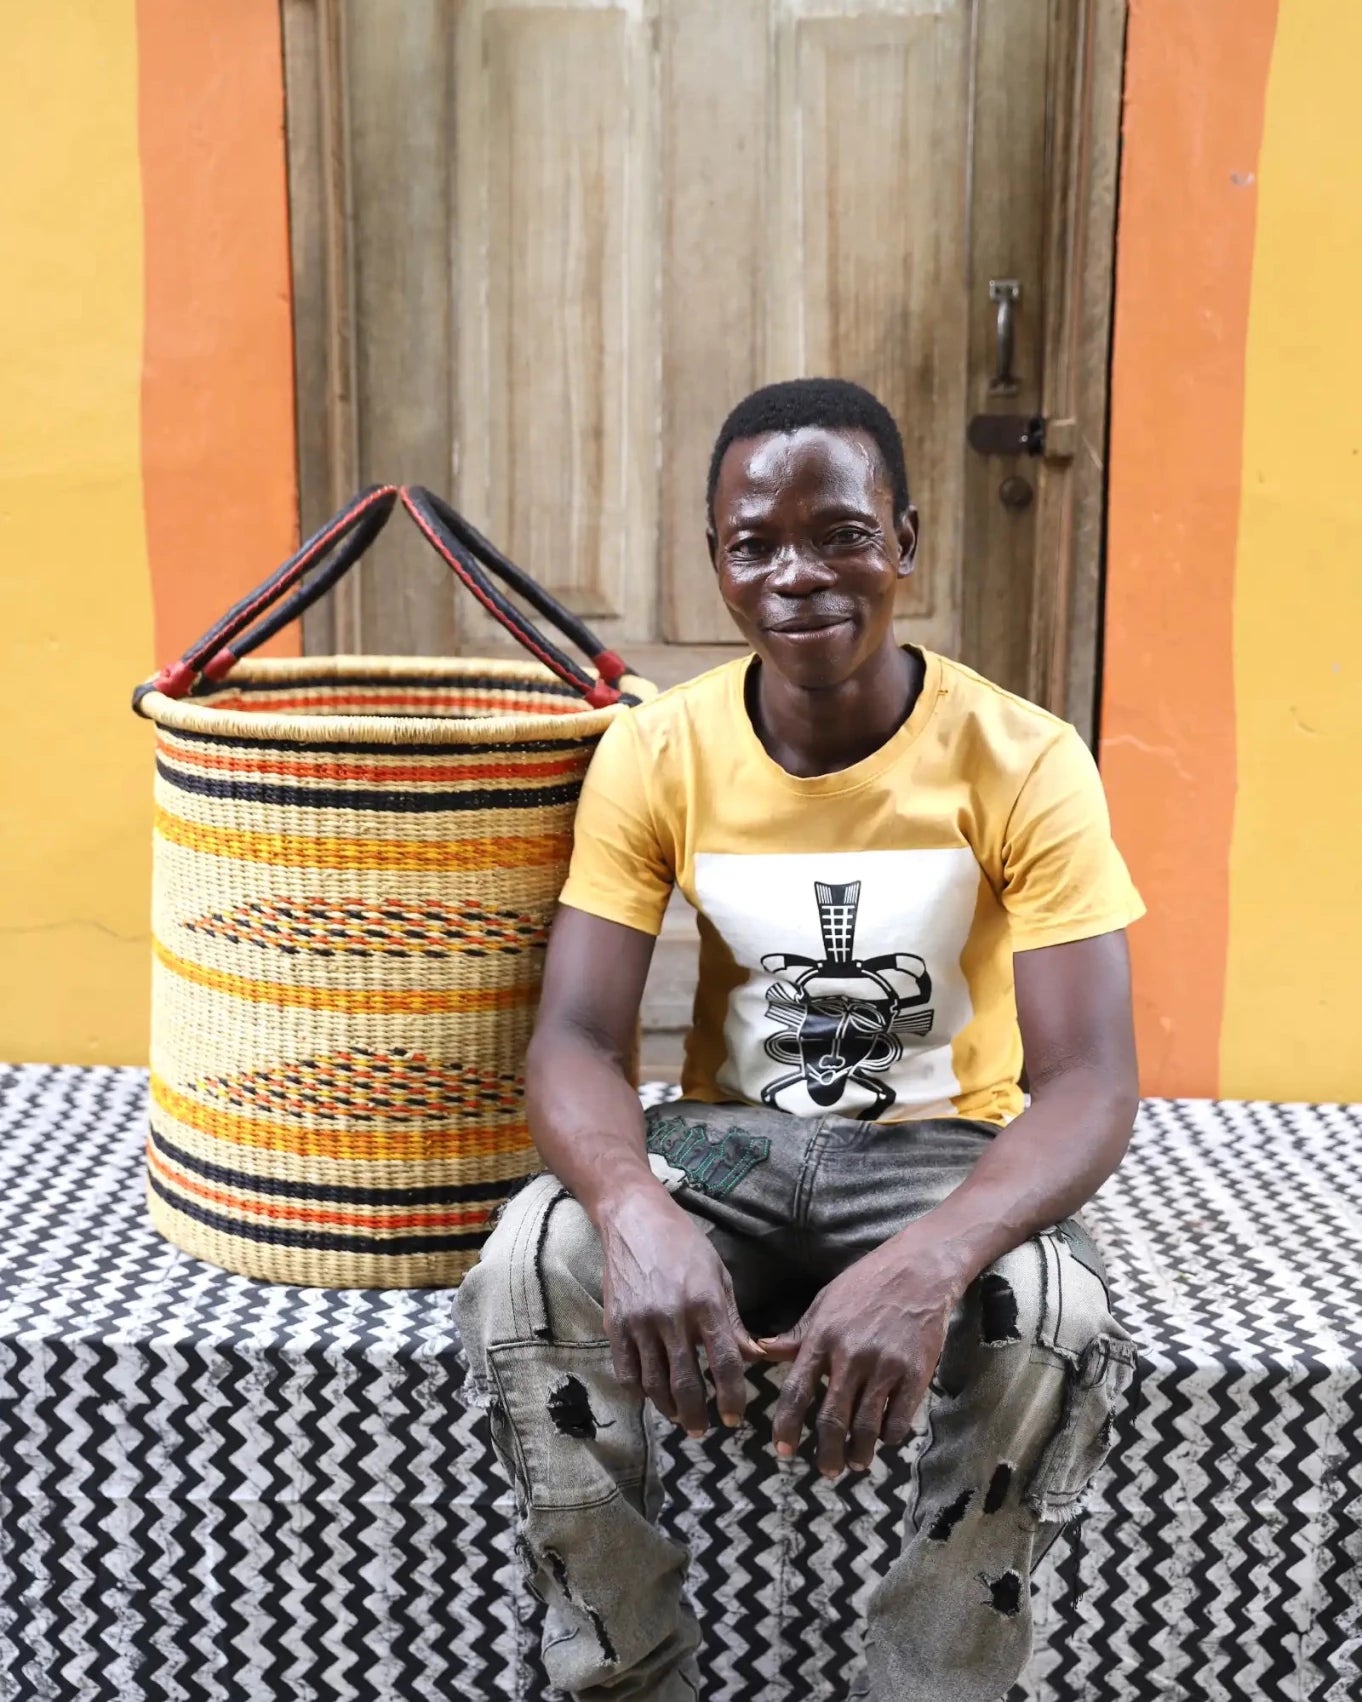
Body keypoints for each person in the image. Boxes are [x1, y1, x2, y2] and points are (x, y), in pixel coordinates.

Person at [458, 377, 1144, 1702]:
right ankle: (625, 1667)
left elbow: (1090, 1080)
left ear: (905, 540)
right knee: (527, 1260)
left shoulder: (1021, 756)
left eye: (837, 531)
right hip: (730, 1137)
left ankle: (930, 1677)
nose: (796, 574)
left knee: (1054, 1309)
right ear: (716, 565)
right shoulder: (657, 749)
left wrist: (929, 1262)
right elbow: (577, 1038)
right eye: (752, 543)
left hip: (945, 1145)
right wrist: (632, 1205)